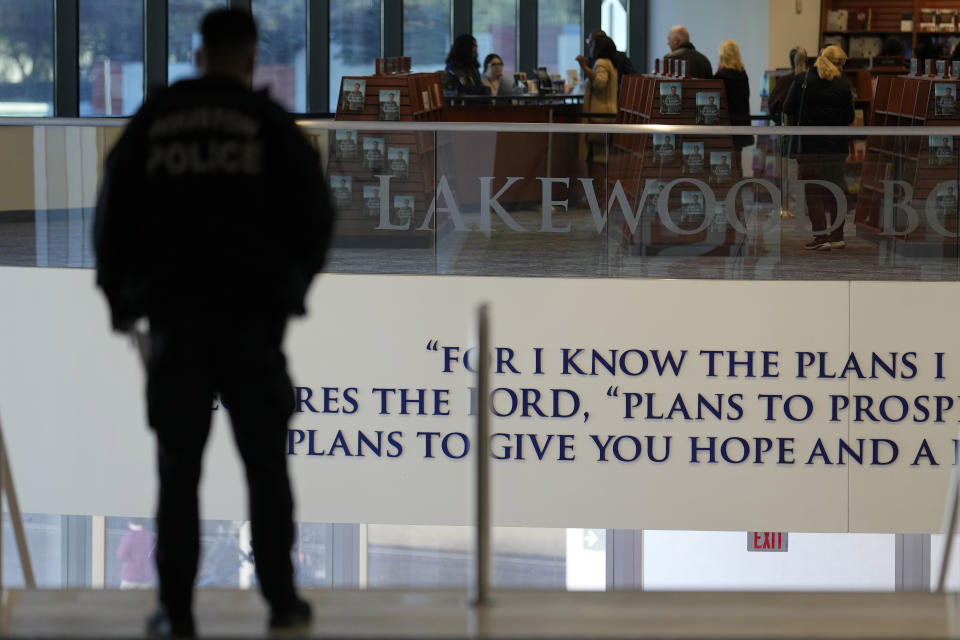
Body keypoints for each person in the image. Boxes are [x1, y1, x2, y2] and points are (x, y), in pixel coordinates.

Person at [94, 8, 332, 636]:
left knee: (178, 472)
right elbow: (316, 212)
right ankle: (282, 603)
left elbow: (113, 209)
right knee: (266, 467)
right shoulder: (268, 124)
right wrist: (293, 290)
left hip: (177, 320)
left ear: (197, 56)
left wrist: (121, 298)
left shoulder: (158, 120)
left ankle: (176, 612)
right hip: (252, 321)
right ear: (252, 59)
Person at [783, 44, 854, 251]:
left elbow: (788, 108)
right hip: (836, 145)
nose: (841, 68)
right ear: (834, 63)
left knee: (813, 188)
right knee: (836, 189)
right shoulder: (843, 84)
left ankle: (821, 237)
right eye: (840, 63)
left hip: (809, 144)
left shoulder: (803, 80)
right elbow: (849, 116)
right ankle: (838, 235)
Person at [576, 34, 619, 171]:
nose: (590, 48)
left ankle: (597, 192)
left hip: (599, 118)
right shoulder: (610, 63)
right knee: (602, 159)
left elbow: (600, 82)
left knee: (596, 161)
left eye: (592, 45)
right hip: (607, 116)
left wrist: (584, 67)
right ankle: (600, 191)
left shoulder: (601, 63)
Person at [713, 39, 751, 151]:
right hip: (741, 125)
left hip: (725, 126)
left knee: (724, 164)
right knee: (738, 163)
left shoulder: (720, 77)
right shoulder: (743, 75)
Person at [767, 46, 807, 125]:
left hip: (788, 128)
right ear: (806, 60)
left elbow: (772, 105)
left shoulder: (784, 81)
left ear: (790, 61)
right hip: (809, 129)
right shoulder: (811, 80)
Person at [117, 521, 156, 589]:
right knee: (146, 599)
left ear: (132, 524)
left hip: (130, 576)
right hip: (146, 576)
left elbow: (121, 555)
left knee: (124, 599)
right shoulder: (151, 538)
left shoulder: (128, 538)